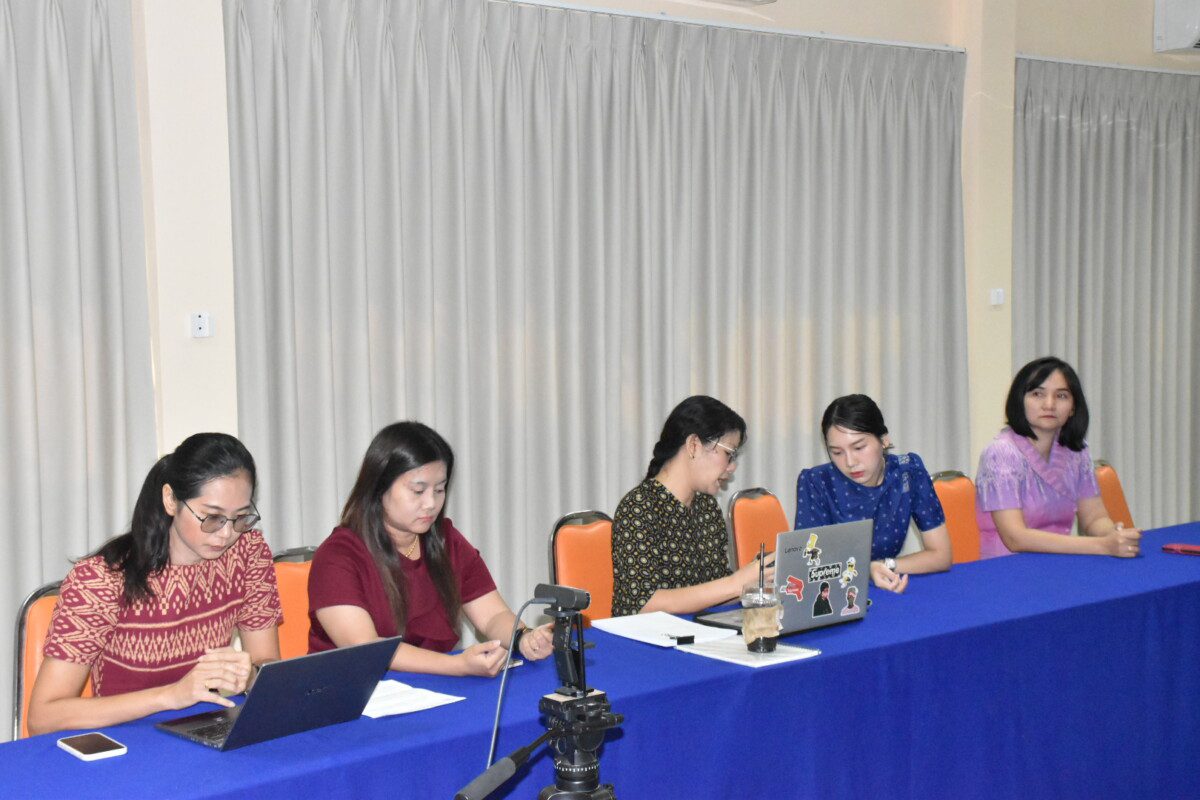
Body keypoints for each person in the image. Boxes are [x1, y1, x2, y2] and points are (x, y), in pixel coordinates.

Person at [28, 433, 282, 735]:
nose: (227, 534)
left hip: (202, 730)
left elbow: (268, 664)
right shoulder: (103, 579)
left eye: (240, 517)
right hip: (125, 738)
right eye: (212, 517)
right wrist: (171, 695)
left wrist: (250, 676)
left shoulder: (247, 553)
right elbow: (43, 716)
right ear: (171, 500)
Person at [307, 422, 553, 677]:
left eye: (439, 489)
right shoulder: (337, 556)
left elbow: (493, 615)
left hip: (434, 684)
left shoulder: (446, 540)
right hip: (355, 691)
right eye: (418, 491)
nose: (431, 503)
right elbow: (366, 648)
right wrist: (458, 666)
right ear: (379, 487)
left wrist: (523, 637)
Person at [611, 395, 774, 617]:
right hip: (646, 636)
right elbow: (644, 603)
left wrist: (756, 579)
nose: (732, 467)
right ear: (693, 445)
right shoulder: (638, 507)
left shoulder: (706, 507)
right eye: (729, 454)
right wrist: (736, 583)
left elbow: (716, 591)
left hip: (698, 632)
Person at [975, 356, 1141, 558]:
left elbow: (1094, 518)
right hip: (1008, 568)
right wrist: (1102, 546)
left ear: (1073, 408)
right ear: (1020, 401)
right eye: (1037, 394)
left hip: (1060, 562)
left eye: (1061, 396)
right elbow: (1015, 538)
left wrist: (1114, 534)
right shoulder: (1001, 454)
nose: (1049, 404)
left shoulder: (1075, 450)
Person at [795, 394, 952, 593]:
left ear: (884, 440)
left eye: (859, 447)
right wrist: (864, 570)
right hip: (834, 594)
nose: (850, 462)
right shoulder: (817, 482)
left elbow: (941, 555)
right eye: (837, 452)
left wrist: (886, 566)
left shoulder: (907, 472)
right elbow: (807, 567)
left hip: (886, 589)